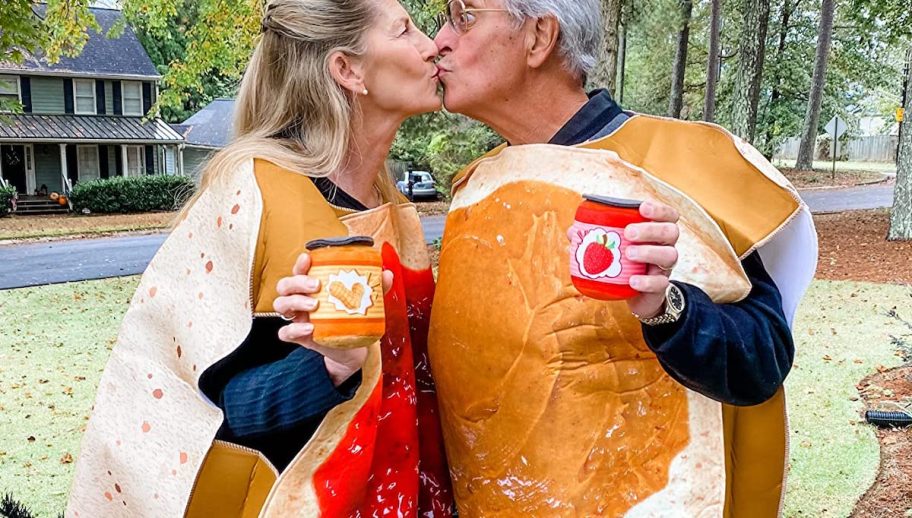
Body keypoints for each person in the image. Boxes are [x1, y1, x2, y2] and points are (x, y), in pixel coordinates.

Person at [427, 0, 818, 516]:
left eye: (464, 16)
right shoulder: (475, 188)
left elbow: (761, 360)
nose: (439, 40)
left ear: (540, 37)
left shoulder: (687, 164)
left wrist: (668, 307)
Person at [66, 0, 453, 516]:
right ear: (347, 69)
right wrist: (330, 365)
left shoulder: (389, 205)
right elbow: (220, 408)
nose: (431, 45)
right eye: (405, 30)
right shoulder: (253, 193)